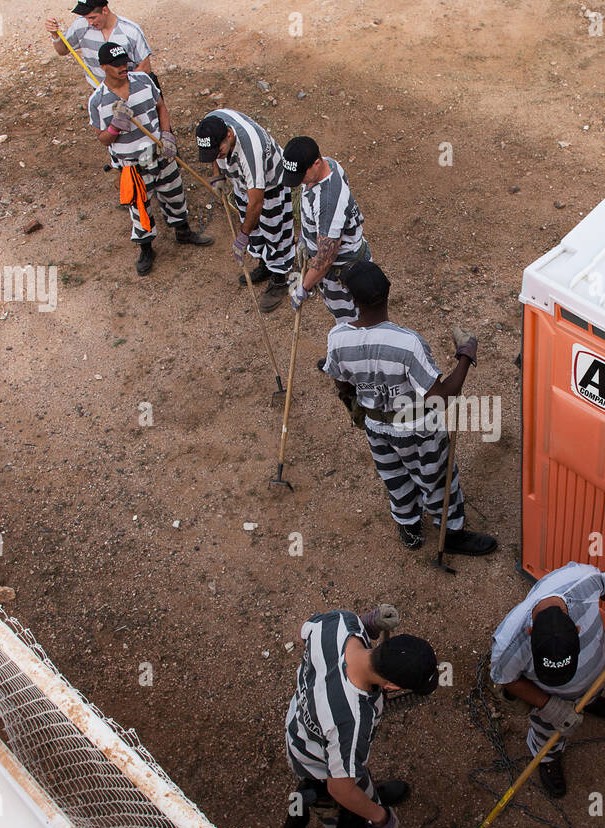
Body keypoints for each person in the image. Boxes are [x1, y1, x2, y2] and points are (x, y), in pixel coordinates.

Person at [323, 261, 496, 556]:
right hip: (418, 429)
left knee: (394, 475)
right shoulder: (407, 343)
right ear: (388, 294)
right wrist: (466, 354)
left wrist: (359, 401)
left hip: (376, 427)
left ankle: (409, 525)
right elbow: (440, 398)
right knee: (438, 478)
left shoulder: (337, 339)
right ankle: (450, 532)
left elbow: (342, 384)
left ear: (353, 300)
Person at [489, 561, 605, 797]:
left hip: (594, 677)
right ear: (530, 633)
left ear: (577, 629)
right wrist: (550, 706)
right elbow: (507, 679)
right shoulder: (508, 645)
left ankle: (589, 701)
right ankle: (547, 757)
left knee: (593, 687)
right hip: (550, 698)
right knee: (548, 729)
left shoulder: (582, 580)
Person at [280, 604, 439, 828]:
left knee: (355, 773)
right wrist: (379, 817)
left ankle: (370, 792)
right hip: (317, 764)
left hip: (299, 725)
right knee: (355, 821)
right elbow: (340, 788)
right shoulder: (353, 722)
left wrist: (369, 623)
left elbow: (304, 631)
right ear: (392, 686)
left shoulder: (342, 623)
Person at [87, 42, 212, 275]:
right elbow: (103, 139)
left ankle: (182, 232)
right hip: (133, 167)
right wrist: (115, 127)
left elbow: (161, 107)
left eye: (124, 62)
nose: (123, 67)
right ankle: (146, 249)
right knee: (140, 209)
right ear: (103, 67)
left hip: (161, 155)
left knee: (175, 194)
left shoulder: (144, 81)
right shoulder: (97, 102)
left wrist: (167, 135)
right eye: (116, 65)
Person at [195, 109, 294, 308]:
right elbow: (214, 152)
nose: (217, 155)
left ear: (229, 135)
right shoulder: (211, 124)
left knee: (274, 230)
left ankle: (280, 277)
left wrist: (242, 236)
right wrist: (218, 175)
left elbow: (256, 203)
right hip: (242, 181)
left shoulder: (251, 153)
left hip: (269, 182)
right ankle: (266, 264)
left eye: (219, 150)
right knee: (254, 229)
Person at [280, 136, 371, 324]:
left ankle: (351, 352)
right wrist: (306, 239)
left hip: (343, 272)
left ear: (316, 163)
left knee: (351, 323)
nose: (300, 182)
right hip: (332, 265)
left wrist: (304, 287)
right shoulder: (329, 164)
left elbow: (326, 258)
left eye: (301, 175)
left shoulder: (328, 203)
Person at [45, 0, 154, 84]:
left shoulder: (131, 31)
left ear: (105, 10)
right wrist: (55, 35)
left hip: (132, 90)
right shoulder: (80, 26)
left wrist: (122, 89)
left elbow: (145, 67)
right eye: (85, 17)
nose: (89, 23)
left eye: (92, 17)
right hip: (100, 92)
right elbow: (63, 50)